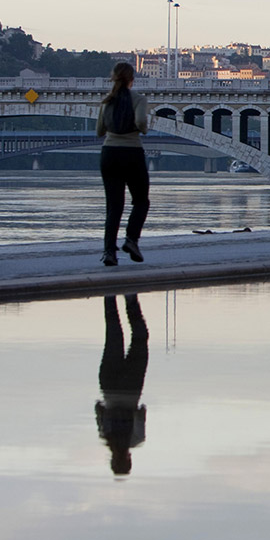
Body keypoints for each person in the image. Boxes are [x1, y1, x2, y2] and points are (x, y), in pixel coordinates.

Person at [95, 61, 150, 266]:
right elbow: (141, 123)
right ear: (131, 80)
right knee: (141, 200)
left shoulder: (106, 102)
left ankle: (109, 251)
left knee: (114, 206)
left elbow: (99, 130)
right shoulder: (139, 99)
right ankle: (131, 239)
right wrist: (142, 129)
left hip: (109, 154)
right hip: (132, 152)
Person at [96, 295, 149, 476]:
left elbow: (142, 411)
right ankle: (109, 293)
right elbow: (98, 408)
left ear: (129, 460)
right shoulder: (105, 436)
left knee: (140, 337)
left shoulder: (136, 438)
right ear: (112, 460)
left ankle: (130, 297)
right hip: (108, 385)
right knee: (113, 332)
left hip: (132, 385)